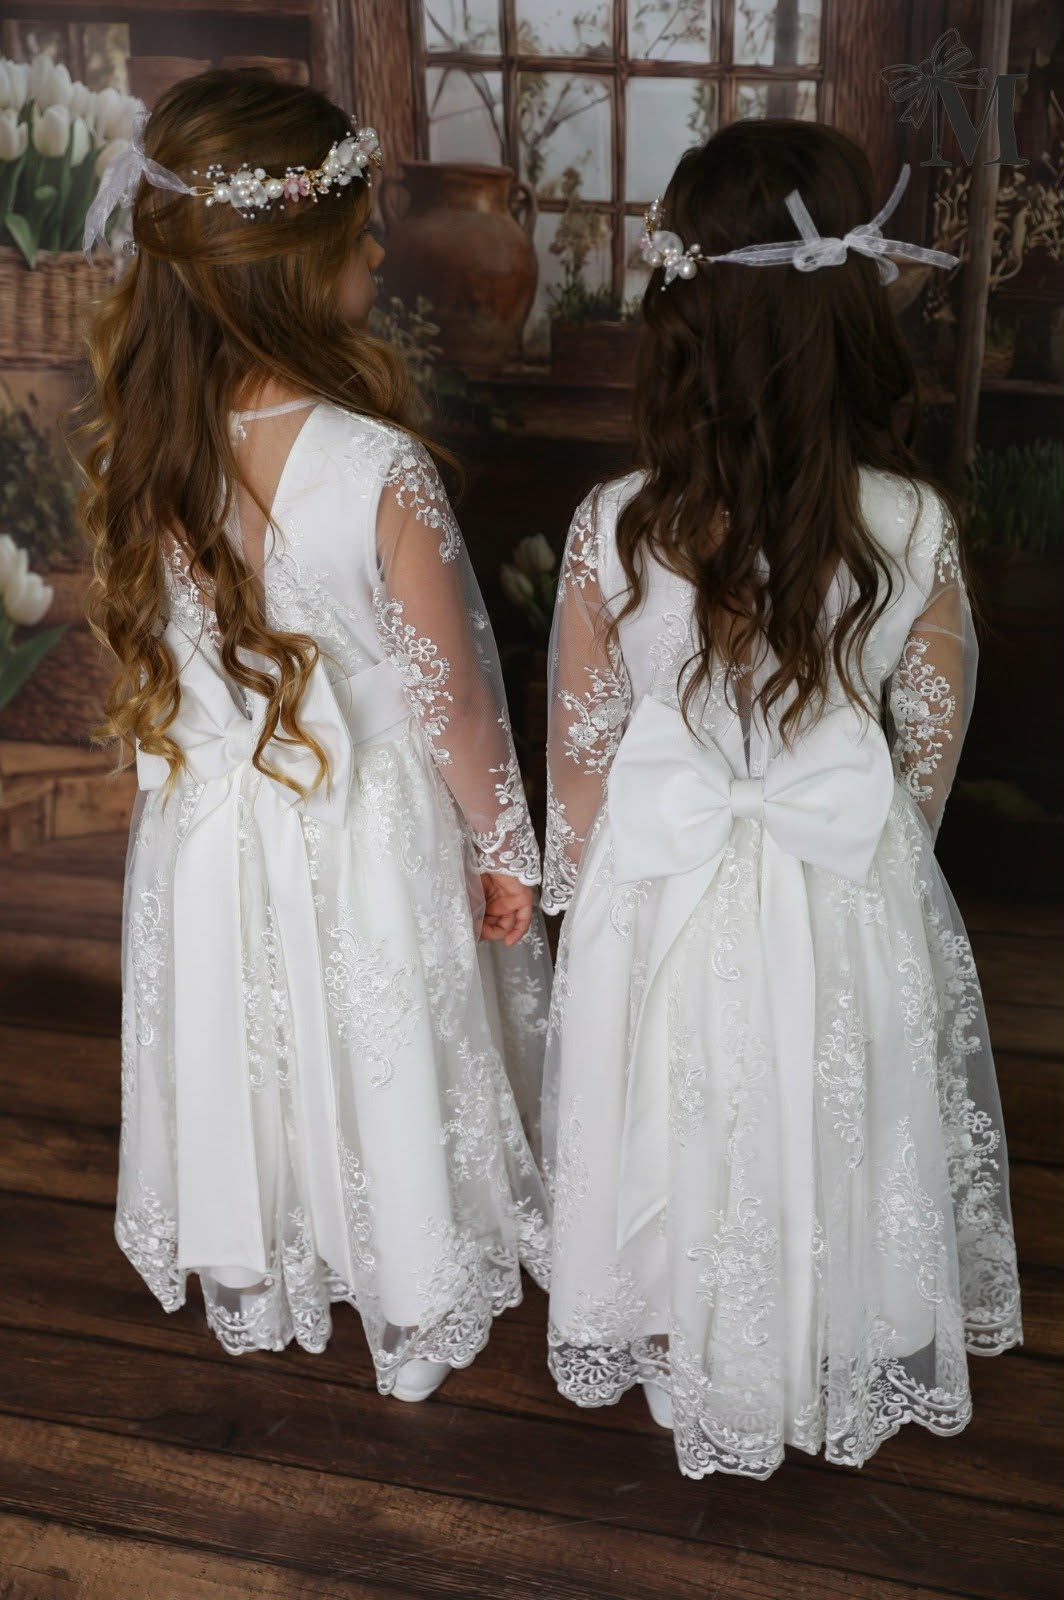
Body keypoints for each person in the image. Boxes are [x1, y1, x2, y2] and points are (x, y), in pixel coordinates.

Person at [540, 119, 1021, 1479]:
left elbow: (581, 753)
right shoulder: (912, 526)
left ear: (680, 316)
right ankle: (832, 1323)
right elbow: (925, 754)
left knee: (671, 1097)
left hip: (658, 888)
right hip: (841, 884)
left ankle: (682, 1324)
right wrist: (866, 862)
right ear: (850, 310)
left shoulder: (612, 524)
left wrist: (585, 906)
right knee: (839, 1102)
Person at [78, 69, 551, 1400]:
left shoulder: (142, 448)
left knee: (255, 1024)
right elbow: (455, 699)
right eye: (360, 233)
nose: (381, 253)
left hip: (210, 825)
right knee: (376, 1026)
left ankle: (274, 1239)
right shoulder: (375, 466)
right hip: (362, 822)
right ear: (294, 266)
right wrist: (504, 846)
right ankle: (408, 1270)